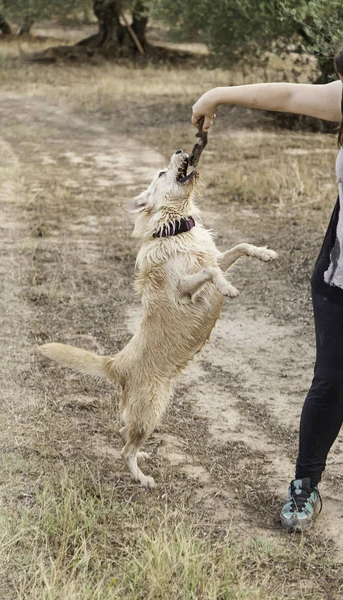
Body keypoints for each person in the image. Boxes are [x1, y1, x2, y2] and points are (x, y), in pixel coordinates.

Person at [191, 49, 343, 533]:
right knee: (332, 382)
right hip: (341, 276)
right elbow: (289, 94)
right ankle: (305, 486)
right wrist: (217, 94)